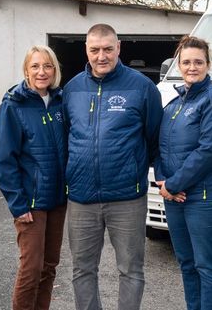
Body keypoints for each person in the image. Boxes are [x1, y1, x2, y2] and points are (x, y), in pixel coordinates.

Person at [63, 23, 163, 310]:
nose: (101, 56)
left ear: (119, 48)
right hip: (82, 198)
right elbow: (67, 136)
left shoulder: (142, 87)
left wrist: (164, 178)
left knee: (131, 270)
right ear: (86, 50)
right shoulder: (72, 90)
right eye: (94, 50)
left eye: (108, 49)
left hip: (126, 197)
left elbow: (155, 138)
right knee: (82, 270)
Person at [155, 36, 212, 310]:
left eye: (198, 62)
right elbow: (160, 145)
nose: (192, 67)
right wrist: (162, 181)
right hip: (175, 197)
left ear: (208, 64)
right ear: (178, 64)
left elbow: (207, 152)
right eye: (186, 62)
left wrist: (173, 184)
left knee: (207, 265)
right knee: (187, 263)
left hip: (206, 197)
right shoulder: (174, 104)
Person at [0, 45, 67, 310]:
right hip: (31, 203)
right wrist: (18, 203)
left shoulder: (60, 102)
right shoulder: (14, 105)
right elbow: (5, 160)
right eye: (35, 66)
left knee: (49, 267)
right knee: (31, 268)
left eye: (47, 66)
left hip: (57, 200)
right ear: (26, 70)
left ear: (55, 70)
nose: (42, 72)